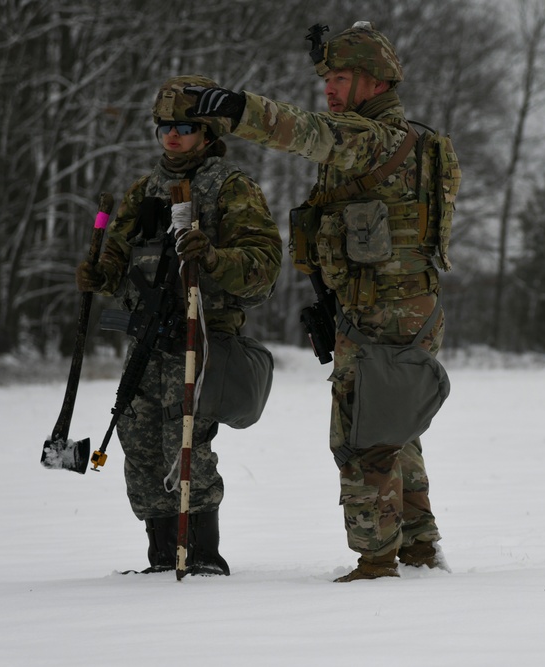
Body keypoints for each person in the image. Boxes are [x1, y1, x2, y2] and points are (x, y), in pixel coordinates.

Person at [184, 21, 454, 581]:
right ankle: (420, 547)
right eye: (327, 77)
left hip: (383, 313)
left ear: (375, 82)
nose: (328, 89)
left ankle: (377, 561)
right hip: (398, 308)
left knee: (362, 437)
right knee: (396, 429)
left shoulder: (374, 139)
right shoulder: (416, 142)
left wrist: (237, 109)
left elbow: (306, 132)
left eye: (341, 77)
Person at [75, 75, 282, 574]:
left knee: (186, 444)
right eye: (164, 126)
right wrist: (101, 275)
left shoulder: (231, 188)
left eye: (185, 126)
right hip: (145, 340)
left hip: (199, 338)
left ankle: (203, 556)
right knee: (139, 444)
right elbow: (123, 260)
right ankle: (162, 557)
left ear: (207, 133)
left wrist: (212, 258)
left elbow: (263, 268)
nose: (173, 135)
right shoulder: (143, 191)